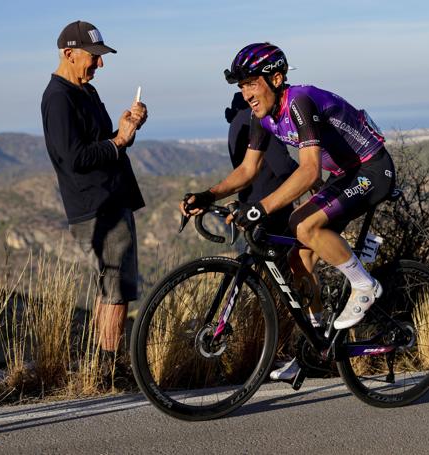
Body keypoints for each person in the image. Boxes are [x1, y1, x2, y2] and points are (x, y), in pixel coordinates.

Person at [181, 43, 396, 379]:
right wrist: (208, 195)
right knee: (299, 259)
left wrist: (259, 209)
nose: (247, 93)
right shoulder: (261, 116)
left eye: (252, 83)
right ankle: (317, 347)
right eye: (242, 86)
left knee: (301, 225)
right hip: (345, 175)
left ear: (277, 78)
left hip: (372, 170)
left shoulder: (299, 101)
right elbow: (248, 170)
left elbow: (310, 171)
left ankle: (364, 285)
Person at [41, 21, 148, 363]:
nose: (100, 64)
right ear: (69, 54)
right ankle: (109, 368)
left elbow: (101, 145)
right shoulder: (58, 98)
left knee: (111, 288)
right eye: (94, 57)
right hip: (97, 208)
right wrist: (119, 141)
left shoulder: (85, 91)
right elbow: (75, 158)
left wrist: (127, 128)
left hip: (110, 200)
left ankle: (103, 365)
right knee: (117, 290)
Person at [225, 91, 297, 235]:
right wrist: (310, 180)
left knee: (263, 252)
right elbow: (282, 164)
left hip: (250, 201)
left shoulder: (236, 124)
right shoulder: (257, 121)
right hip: (272, 203)